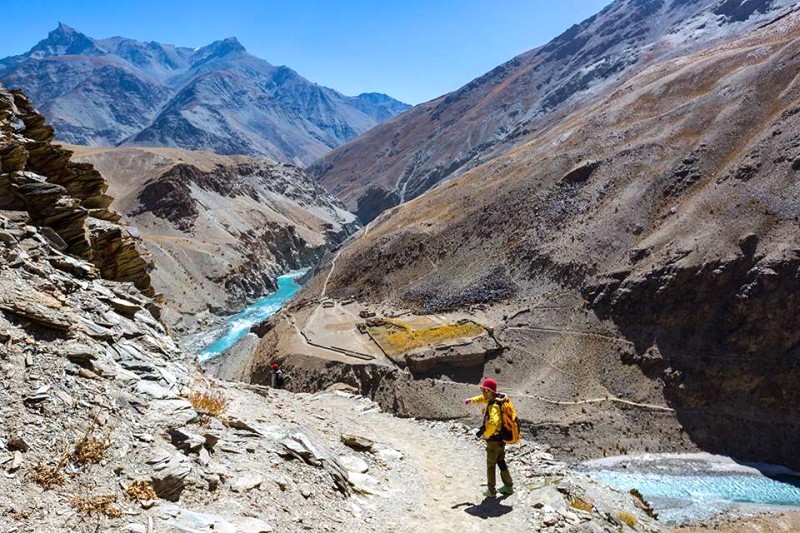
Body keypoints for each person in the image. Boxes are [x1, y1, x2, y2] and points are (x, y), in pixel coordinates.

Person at [464, 377, 514, 497]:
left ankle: (491, 490)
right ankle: (508, 486)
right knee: (501, 461)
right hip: (501, 439)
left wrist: (486, 435)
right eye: (483, 390)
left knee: (490, 465)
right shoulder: (497, 399)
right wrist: (472, 400)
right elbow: (482, 398)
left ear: (491, 391)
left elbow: (493, 423)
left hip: (493, 441)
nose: (483, 393)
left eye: (485, 390)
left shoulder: (494, 406)